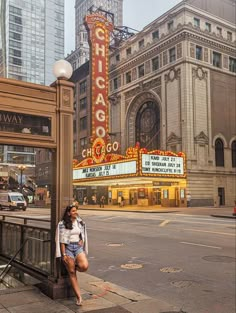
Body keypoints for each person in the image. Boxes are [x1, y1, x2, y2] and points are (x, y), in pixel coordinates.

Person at [55, 205, 88, 306]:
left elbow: (82, 233)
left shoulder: (80, 222)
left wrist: (82, 239)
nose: (76, 212)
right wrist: (63, 254)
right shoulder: (63, 224)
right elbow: (61, 241)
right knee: (72, 273)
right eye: (73, 211)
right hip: (68, 248)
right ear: (69, 213)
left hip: (77, 247)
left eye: (76, 210)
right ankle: (79, 297)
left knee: (84, 266)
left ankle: (73, 266)